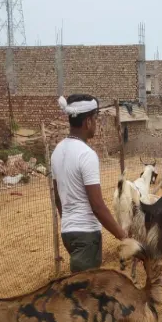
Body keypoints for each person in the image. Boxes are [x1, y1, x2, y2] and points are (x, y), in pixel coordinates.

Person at [51, 94, 127, 273]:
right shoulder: (86, 154)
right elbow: (97, 206)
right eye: (95, 118)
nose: (96, 123)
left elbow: (57, 197)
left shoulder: (57, 151)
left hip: (68, 234)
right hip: (86, 235)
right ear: (87, 122)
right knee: (83, 294)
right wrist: (122, 235)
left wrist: (68, 220)